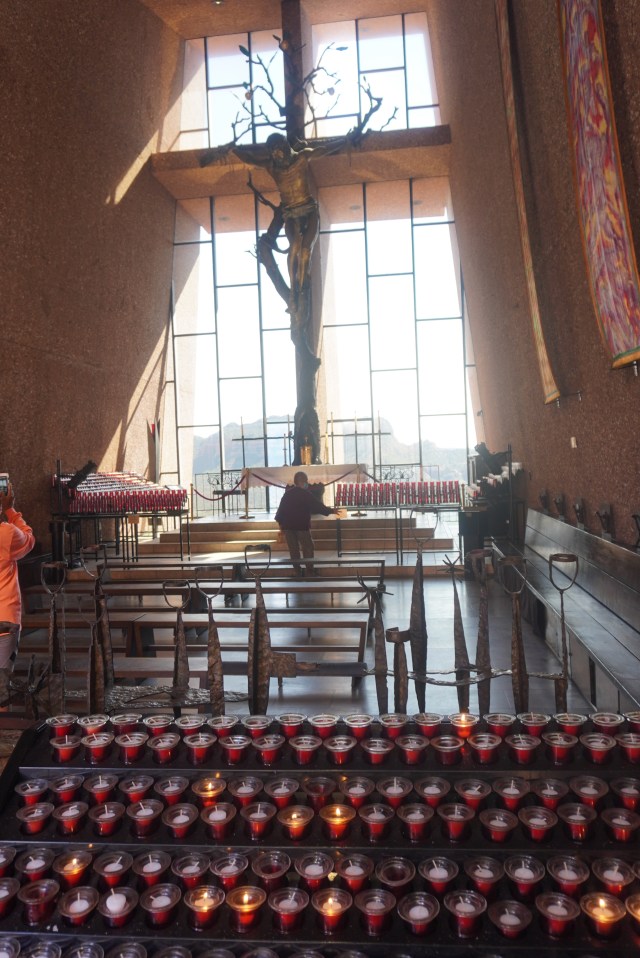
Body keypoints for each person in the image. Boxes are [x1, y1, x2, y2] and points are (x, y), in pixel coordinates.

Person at [0, 482, 35, 706]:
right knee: (2, 686)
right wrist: (10, 510)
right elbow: (29, 539)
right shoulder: (6, 534)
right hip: (4, 617)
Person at [274, 471, 339, 576]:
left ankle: (297, 571)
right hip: (301, 526)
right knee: (308, 547)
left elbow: (280, 511)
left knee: (293, 550)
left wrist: (281, 525)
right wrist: (331, 511)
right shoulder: (305, 494)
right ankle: (309, 571)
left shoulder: (287, 494)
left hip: (288, 527)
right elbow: (317, 506)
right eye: (306, 481)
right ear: (302, 481)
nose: (307, 483)